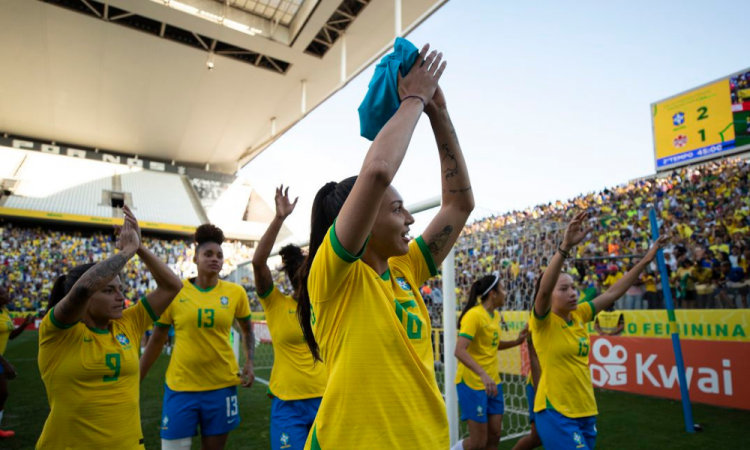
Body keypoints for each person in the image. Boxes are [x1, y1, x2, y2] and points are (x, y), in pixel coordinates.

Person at [296, 43, 472, 449]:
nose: (410, 218)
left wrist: (438, 114)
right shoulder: (333, 276)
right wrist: (413, 98)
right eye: (397, 209)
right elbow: (376, 171)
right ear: (364, 219)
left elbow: (459, 204)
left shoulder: (405, 268)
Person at [36, 205, 183, 449]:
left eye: (121, 290)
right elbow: (83, 288)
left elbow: (172, 286)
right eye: (108, 290)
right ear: (87, 299)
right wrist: (127, 251)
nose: (120, 297)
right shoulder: (58, 332)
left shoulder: (127, 323)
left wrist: (140, 247)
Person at [530, 212, 668, 450]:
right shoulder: (543, 322)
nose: (573, 293)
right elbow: (543, 292)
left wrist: (645, 261)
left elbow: (613, 293)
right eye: (564, 289)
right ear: (550, 295)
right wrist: (565, 246)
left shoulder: (580, 314)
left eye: (574, 287)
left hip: (586, 408)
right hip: (555, 410)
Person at [140, 223, 255, 450]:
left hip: (222, 386)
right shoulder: (175, 291)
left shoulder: (236, 293)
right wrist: (136, 378)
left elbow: (248, 330)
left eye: (219, 255)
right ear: (195, 258)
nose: (215, 259)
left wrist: (249, 361)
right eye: (208, 254)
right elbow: (156, 339)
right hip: (181, 387)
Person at [251, 185, 327, 450]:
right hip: (287, 403)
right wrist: (279, 218)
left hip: (326, 400)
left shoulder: (326, 303)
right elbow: (259, 262)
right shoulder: (274, 303)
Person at [452, 273, 528, 450]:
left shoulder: (494, 316)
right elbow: (459, 350)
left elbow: (492, 345)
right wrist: (483, 375)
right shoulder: (474, 315)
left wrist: (516, 342)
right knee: (478, 443)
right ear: (493, 293)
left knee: (494, 436)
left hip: (493, 383)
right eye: (502, 288)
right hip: (472, 384)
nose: (505, 292)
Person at [0, 286, 34, 439]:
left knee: (2, 394)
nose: (7, 294)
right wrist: (5, 363)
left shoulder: (5, 311)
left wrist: (25, 324)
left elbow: (11, 336)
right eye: (3, 293)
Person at [511, 326, 542, 450]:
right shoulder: (539, 321)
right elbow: (533, 354)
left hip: (562, 384)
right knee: (537, 436)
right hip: (539, 382)